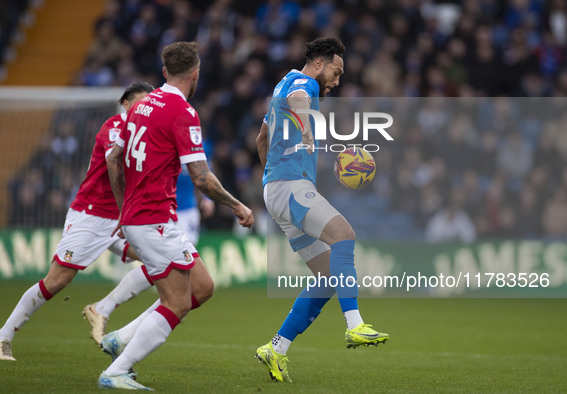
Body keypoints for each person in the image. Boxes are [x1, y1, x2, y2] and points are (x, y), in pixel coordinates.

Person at [98, 41, 254, 390]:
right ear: (195, 74)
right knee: (178, 302)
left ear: (165, 71)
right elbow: (201, 178)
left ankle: (120, 338)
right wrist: (238, 205)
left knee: (202, 287)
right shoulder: (183, 113)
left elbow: (112, 158)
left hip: (146, 218)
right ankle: (117, 370)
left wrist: (123, 208)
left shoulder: (140, 105)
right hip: (153, 220)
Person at [0, 82, 155, 361]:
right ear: (126, 104)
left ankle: (101, 309)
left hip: (120, 218)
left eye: (148, 105)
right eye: (140, 103)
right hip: (92, 216)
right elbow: (119, 161)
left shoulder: (145, 134)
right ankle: (2, 335)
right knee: (56, 281)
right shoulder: (115, 127)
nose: (144, 109)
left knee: (159, 260)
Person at [254, 37, 389, 383]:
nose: (337, 80)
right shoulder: (304, 84)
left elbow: (261, 140)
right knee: (344, 235)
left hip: (277, 189)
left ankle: (276, 348)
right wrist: (304, 128)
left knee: (328, 277)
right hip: (291, 187)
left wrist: (271, 182)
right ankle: (355, 325)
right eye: (336, 71)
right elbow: (301, 100)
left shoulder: (280, 84)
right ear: (319, 62)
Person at [82, 157, 214, 345]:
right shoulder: (136, 135)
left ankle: (110, 313)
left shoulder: (192, 141)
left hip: (176, 211)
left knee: (176, 265)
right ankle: (112, 313)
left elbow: (202, 170)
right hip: (147, 212)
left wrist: (207, 198)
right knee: (171, 264)